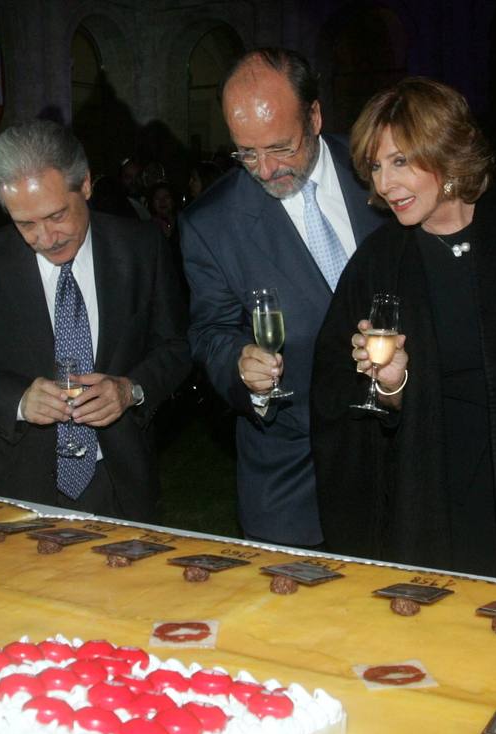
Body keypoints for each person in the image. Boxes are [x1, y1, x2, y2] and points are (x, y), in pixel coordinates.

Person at [311, 77, 496, 586]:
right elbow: (337, 396)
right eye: (375, 165)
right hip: (436, 479)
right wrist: (390, 386)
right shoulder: (379, 263)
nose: (384, 183)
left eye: (400, 161)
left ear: (446, 151)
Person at [0, 119, 191, 523]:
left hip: (121, 483)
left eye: (56, 216)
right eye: (25, 224)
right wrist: (17, 401)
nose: (45, 237)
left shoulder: (141, 248)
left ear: (85, 184)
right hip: (18, 487)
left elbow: (175, 347)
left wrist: (131, 390)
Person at [180, 47, 385, 547]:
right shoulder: (212, 224)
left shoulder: (377, 172)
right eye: (246, 153)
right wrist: (240, 365)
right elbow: (210, 332)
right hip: (294, 473)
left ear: (314, 117)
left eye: (280, 147)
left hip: (399, 453)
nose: (266, 170)